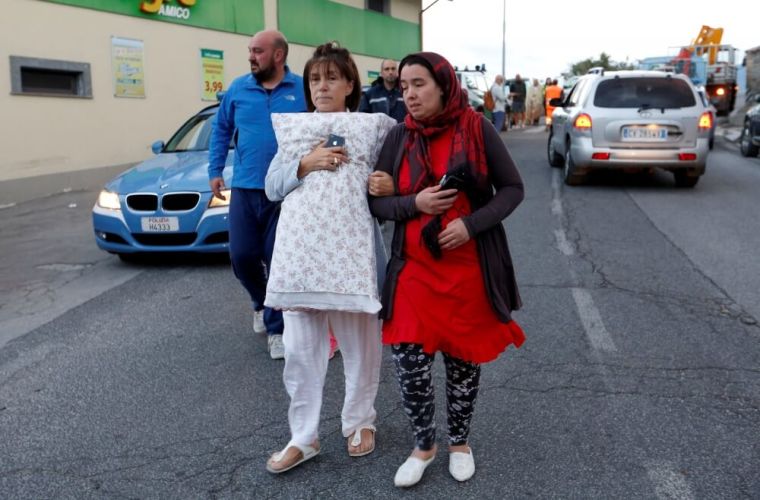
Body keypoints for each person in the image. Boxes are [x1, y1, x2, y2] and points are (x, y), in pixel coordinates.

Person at [369, 52, 526, 487]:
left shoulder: (477, 128)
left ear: (443, 85)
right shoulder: (399, 137)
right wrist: (413, 203)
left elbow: (513, 189)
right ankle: (424, 444)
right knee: (409, 363)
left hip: (467, 268)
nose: (410, 94)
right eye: (403, 86)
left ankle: (459, 442)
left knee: (462, 363)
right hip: (414, 270)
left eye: (418, 84)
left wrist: (471, 224)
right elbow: (377, 202)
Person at [262, 42, 397, 474]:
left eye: (332, 78)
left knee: (361, 346)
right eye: (315, 79)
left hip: (352, 259)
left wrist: (385, 183)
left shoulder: (373, 129)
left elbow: (396, 171)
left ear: (350, 84)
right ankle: (303, 437)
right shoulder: (296, 133)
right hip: (301, 259)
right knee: (301, 354)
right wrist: (305, 163)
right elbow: (271, 187)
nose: (322, 86)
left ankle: (359, 421)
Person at [208, 30, 306, 360]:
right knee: (242, 257)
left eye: (258, 51)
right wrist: (215, 170)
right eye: (250, 50)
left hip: (286, 191)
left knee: (278, 261)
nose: (251, 56)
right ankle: (259, 302)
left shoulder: (300, 90)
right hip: (246, 189)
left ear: (278, 55)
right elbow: (220, 130)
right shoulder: (238, 88)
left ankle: (277, 330)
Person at [359, 59, 407, 123]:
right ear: (381, 73)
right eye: (387, 69)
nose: (390, 72)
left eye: (393, 69)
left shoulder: (405, 92)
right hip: (378, 133)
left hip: (401, 132)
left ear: (397, 72)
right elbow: (363, 118)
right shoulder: (370, 94)